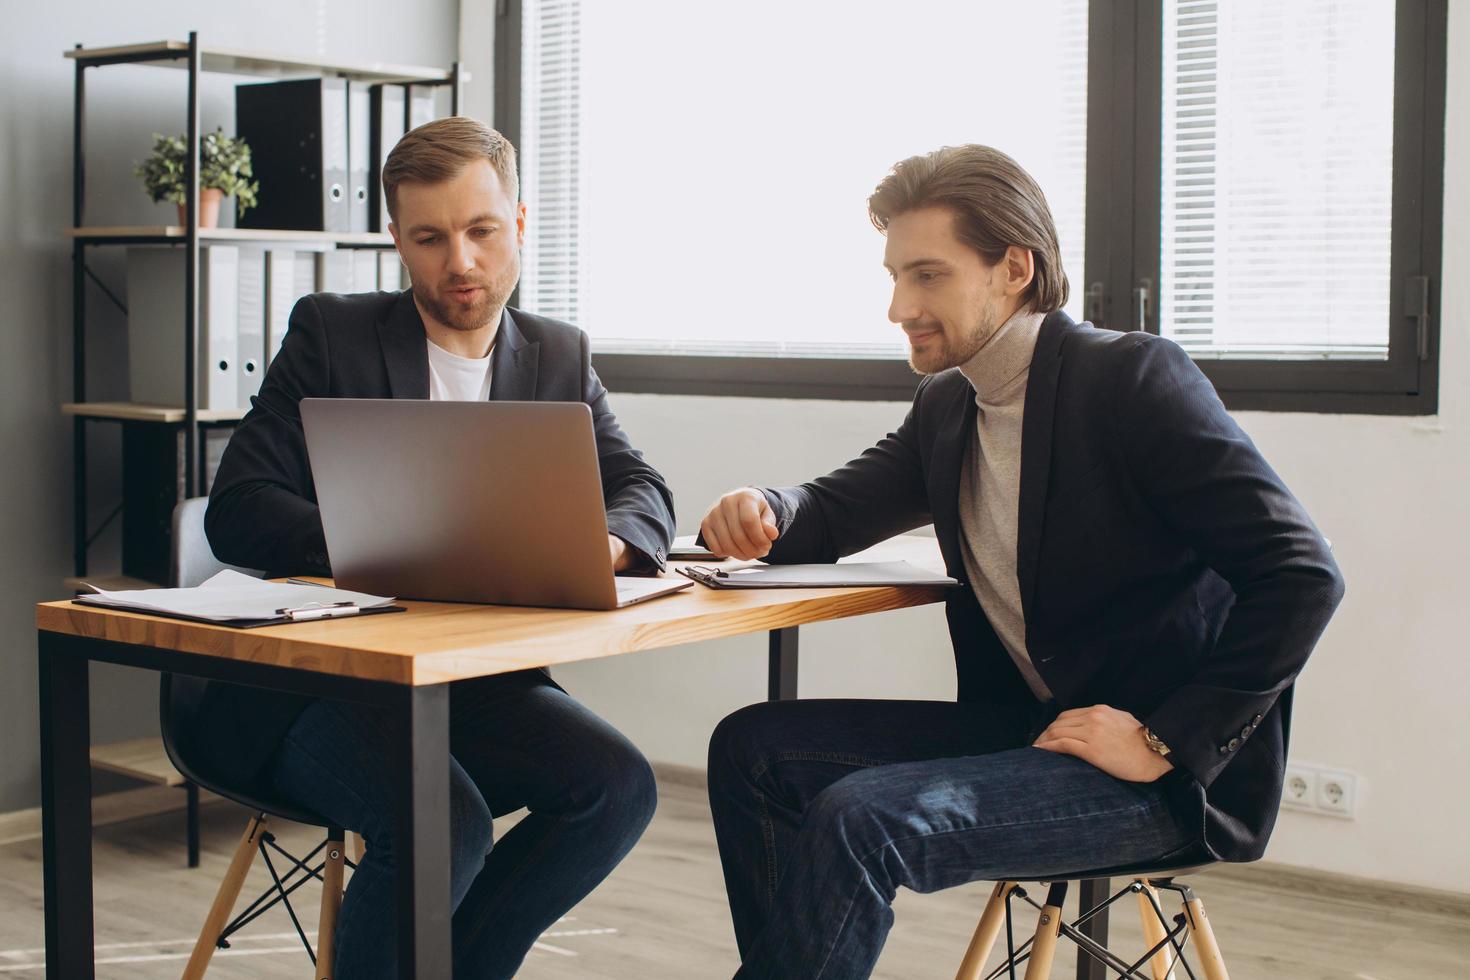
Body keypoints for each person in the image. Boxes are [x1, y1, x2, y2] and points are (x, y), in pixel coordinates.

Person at [698, 144, 1345, 978]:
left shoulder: (1129, 379)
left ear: (1014, 268)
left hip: (1155, 777)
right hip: (1034, 730)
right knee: (753, 751)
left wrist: (1166, 740)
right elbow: (833, 509)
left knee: (863, 817)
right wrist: (767, 507)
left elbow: (1302, 573)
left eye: (927, 275)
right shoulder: (950, 404)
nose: (899, 306)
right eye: (894, 276)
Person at [199, 116, 674, 978]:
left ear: (519, 225)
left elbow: (645, 491)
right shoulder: (330, 336)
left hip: (469, 686)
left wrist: (607, 542)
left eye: (482, 231)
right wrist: (407, 538)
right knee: (442, 822)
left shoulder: (559, 356)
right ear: (397, 242)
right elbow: (236, 509)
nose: (460, 261)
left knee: (616, 789)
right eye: (430, 238)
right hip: (319, 687)